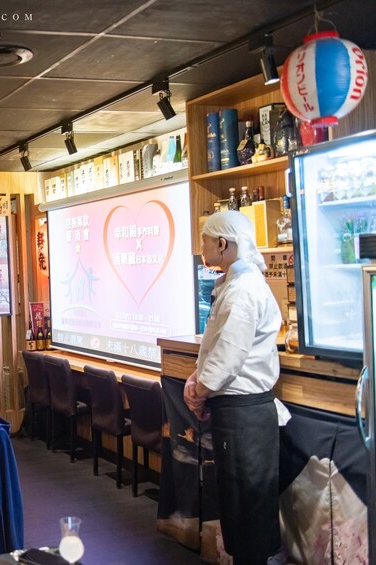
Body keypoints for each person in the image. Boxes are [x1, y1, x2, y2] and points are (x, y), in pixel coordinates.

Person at [183, 210, 290, 565]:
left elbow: (228, 354)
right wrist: (197, 379)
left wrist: (199, 391)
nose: (200, 247)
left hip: (245, 414)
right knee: (238, 498)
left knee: (247, 503)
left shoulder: (243, 288)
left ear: (221, 244)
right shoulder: (234, 283)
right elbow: (218, 347)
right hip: (239, 413)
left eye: (204, 240)